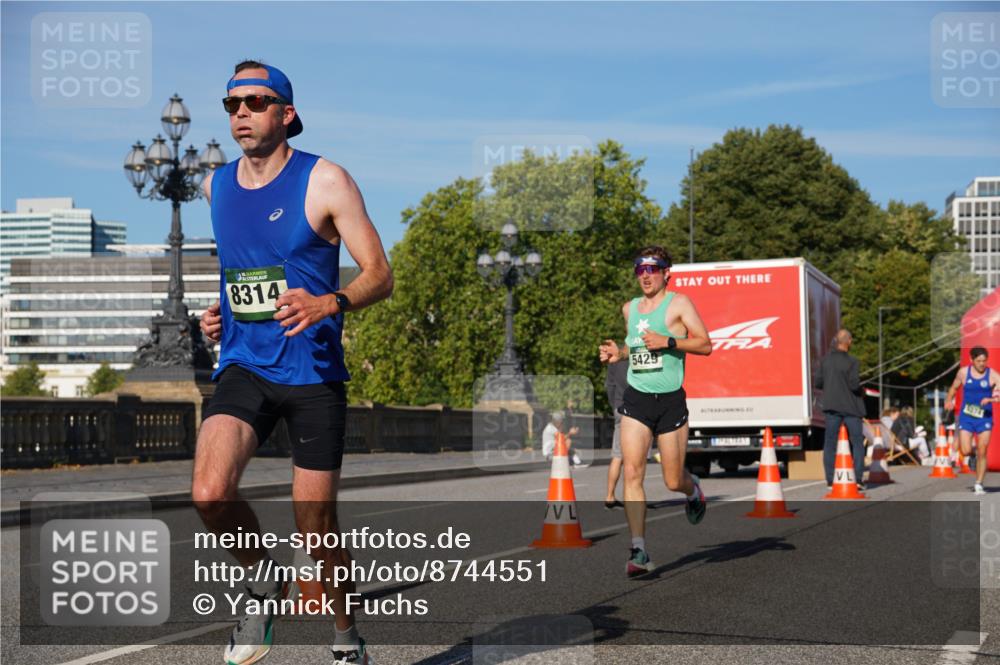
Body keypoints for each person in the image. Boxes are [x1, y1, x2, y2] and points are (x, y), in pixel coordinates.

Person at [194, 60, 392, 665]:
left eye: (255, 102)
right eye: (232, 105)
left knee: (316, 528)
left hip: (313, 375)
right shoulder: (215, 186)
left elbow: (381, 276)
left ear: (287, 113)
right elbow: (244, 274)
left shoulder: (326, 180)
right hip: (244, 367)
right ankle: (261, 580)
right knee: (209, 492)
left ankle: (345, 635)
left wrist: (328, 301)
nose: (242, 114)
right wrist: (222, 311)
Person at [598, 246, 712, 577]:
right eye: (640, 269)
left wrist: (670, 342)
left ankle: (694, 491)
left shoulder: (679, 304)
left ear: (666, 273)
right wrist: (617, 353)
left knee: (673, 479)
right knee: (632, 473)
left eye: (653, 268)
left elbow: (705, 344)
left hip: (670, 401)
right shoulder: (629, 308)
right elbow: (636, 349)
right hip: (637, 400)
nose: (645, 275)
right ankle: (639, 550)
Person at [815, 329, 866, 491]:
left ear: (836, 341)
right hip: (851, 407)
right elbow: (853, 385)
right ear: (848, 342)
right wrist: (862, 390)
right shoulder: (852, 361)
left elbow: (818, 383)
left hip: (831, 407)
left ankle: (830, 479)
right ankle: (857, 478)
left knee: (829, 443)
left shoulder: (825, 361)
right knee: (857, 442)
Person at [945, 346, 999, 495]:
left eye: (984, 360)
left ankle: (979, 483)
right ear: (971, 360)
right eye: (979, 360)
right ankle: (972, 456)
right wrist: (948, 400)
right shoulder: (963, 373)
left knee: (983, 450)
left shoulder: (993, 375)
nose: (982, 363)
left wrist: (991, 398)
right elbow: (953, 388)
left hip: (985, 417)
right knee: (966, 450)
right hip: (967, 416)